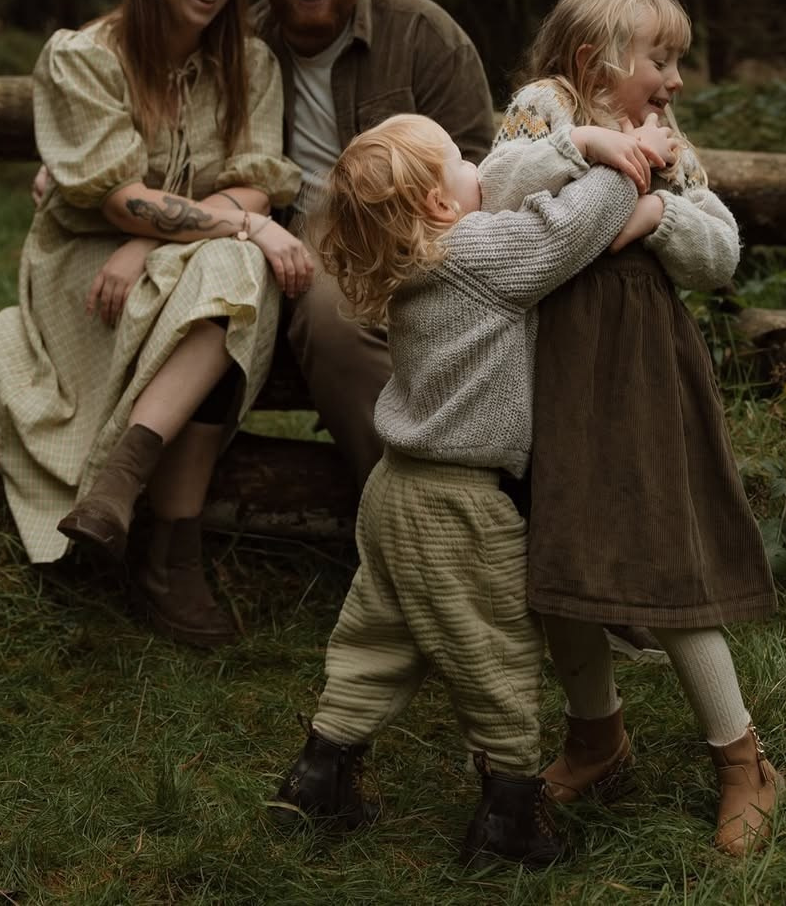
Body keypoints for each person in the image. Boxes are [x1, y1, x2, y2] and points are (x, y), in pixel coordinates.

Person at [271, 111, 678, 868]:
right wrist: (630, 160)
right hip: (460, 503)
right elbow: (567, 231)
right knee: (495, 652)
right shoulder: (475, 250)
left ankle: (318, 775)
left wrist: (575, 140)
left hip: (395, 493)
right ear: (437, 204)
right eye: (459, 160)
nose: (477, 165)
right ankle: (509, 822)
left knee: (377, 636)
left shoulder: (410, 265)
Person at [481, 0, 783, 856]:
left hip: (646, 367)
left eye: (679, 61)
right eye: (662, 58)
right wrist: (587, 147)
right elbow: (494, 188)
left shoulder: (668, 138)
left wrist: (656, 211)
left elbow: (721, 251)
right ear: (593, 60)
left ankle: (743, 761)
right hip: (553, 367)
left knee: (666, 550)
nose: (678, 80)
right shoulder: (544, 110)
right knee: (559, 551)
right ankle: (596, 737)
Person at [0, 0, 313, 650]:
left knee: (237, 272)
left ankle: (123, 492)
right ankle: (171, 553)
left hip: (179, 253)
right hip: (85, 264)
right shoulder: (84, 57)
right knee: (242, 259)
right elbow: (113, 199)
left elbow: (252, 180)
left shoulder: (248, 64)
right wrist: (229, 223)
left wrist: (169, 232)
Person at [249, 0, 495, 490]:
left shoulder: (422, 33)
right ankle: (396, 505)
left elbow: (478, 163)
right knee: (328, 314)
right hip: (274, 240)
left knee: (335, 315)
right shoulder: (243, 49)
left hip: (415, 235)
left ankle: (434, 500)